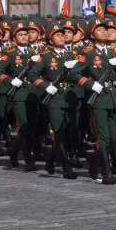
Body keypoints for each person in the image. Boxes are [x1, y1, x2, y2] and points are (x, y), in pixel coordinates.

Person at [68, 18, 116, 185]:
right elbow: (74, 74)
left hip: (115, 98)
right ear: (92, 34)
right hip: (100, 99)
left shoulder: (114, 51)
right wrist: (90, 84)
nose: (104, 32)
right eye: (100, 29)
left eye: (106, 29)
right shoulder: (88, 52)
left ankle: (94, 158)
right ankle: (106, 172)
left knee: (115, 137)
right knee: (103, 137)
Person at [27, 22, 78, 179]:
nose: (62, 37)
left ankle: (50, 158)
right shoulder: (46, 56)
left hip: (70, 98)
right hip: (55, 99)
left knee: (70, 132)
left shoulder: (71, 55)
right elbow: (32, 75)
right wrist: (45, 85)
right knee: (59, 132)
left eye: (63, 35)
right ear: (50, 38)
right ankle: (66, 167)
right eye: (58, 35)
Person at [0, 20, 40, 171]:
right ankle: (28, 159)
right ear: (14, 38)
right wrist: (11, 80)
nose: (25, 37)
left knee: (32, 127)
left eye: (26, 34)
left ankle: (13, 150)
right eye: (20, 35)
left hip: (33, 94)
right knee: (24, 127)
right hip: (19, 95)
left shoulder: (35, 53)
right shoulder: (11, 54)